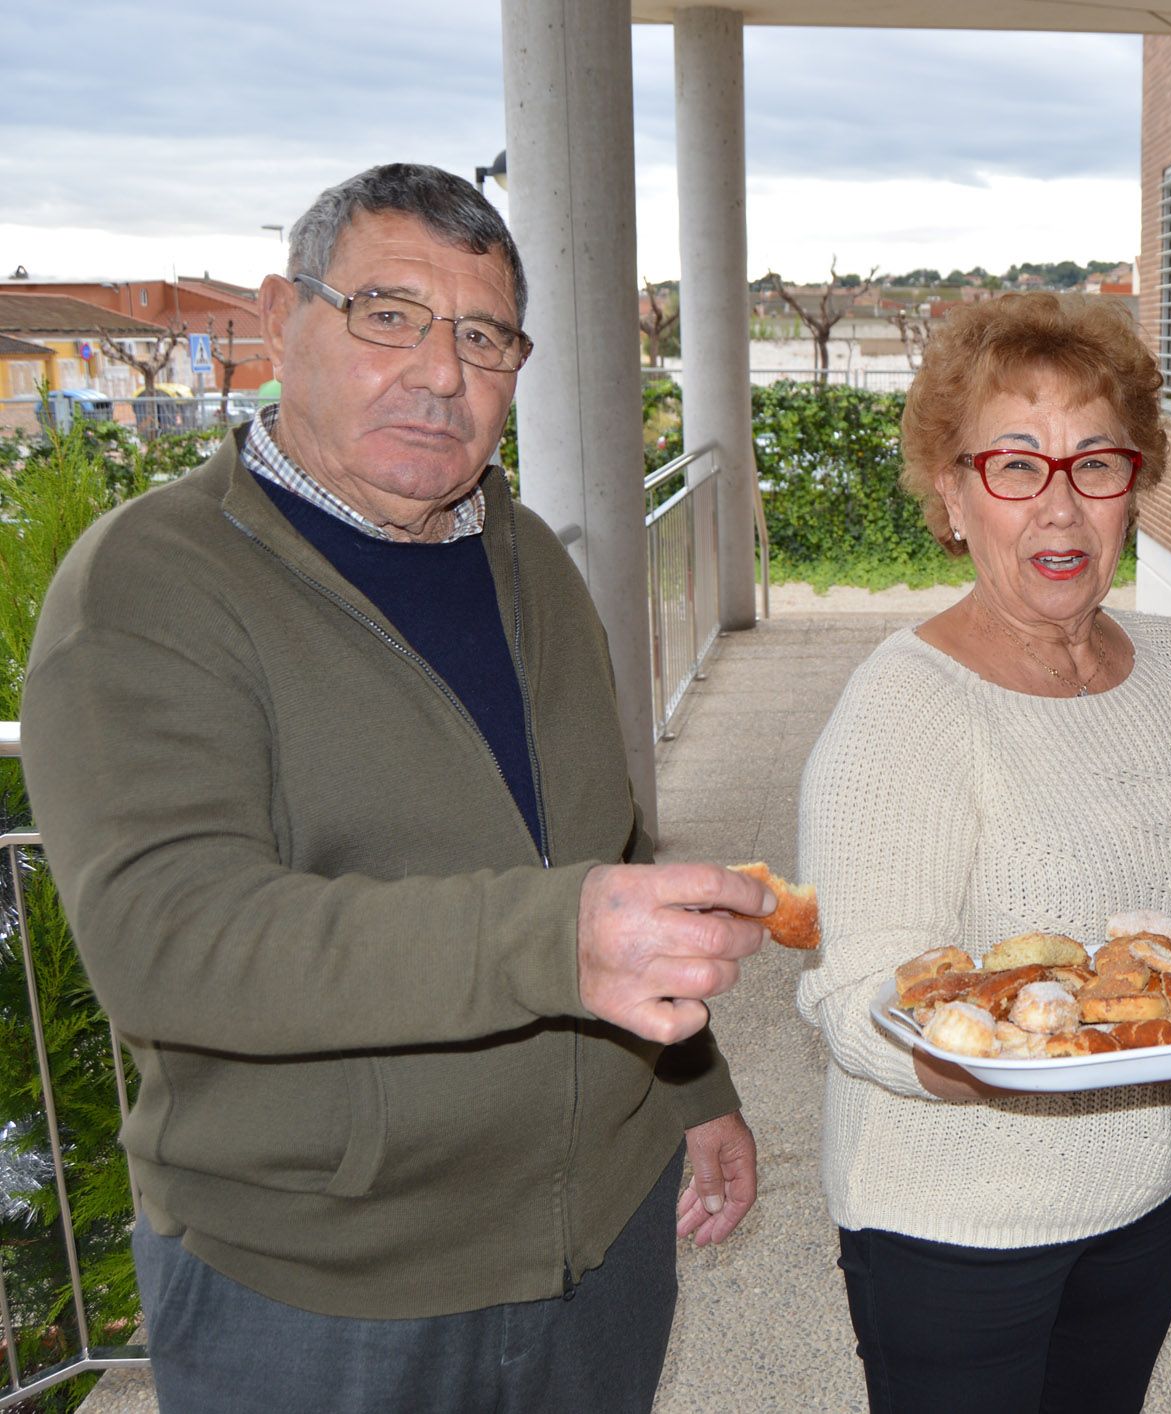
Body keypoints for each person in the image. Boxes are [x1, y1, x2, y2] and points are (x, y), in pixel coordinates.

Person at [20, 164, 769, 1413]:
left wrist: (696, 1090)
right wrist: (553, 937)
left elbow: (608, 847)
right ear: (280, 315)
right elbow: (169, 937)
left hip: (603, 1237)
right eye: (387, 315)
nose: (438, 371)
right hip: (326, 1286)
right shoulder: (146, 583)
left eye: (482, 336)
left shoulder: (528, 555)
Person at [795, 292, 1171, 1413]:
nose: (1060, 509)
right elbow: (847, 996)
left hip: (1156, 1173)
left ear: (1135, 482)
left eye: (1095, 463)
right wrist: (987, 1049)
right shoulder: (902, 711)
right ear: (951, 494)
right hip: (959, 1225)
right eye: (1015, 465)